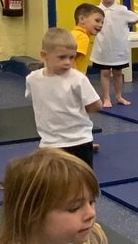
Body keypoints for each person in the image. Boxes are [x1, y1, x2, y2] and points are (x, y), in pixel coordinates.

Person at [27, 28, 103, 167]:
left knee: (81, 177)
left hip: (78, 140)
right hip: (49, 142)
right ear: (44, 55)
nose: (68, 62)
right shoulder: (32, 79)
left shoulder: (78, 79)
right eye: (62, 57)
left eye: (72, 57)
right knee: (53, 178)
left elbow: (96, 105)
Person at [93, 0, 138, 108]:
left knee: (118, 73)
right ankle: (106, 98)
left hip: (118, 48)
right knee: (105, 73)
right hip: (103, 47)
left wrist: (127, 25)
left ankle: (119, 96)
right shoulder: (96, 10)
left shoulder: (122, 10)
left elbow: (136, 18)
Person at [70, 3, 105, 77]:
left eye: (102, 23)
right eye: (97, 21)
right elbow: (70, 57)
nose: (101, 25)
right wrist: (74, 78)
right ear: (82, 19)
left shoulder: (73, 33)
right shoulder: (83, 37)